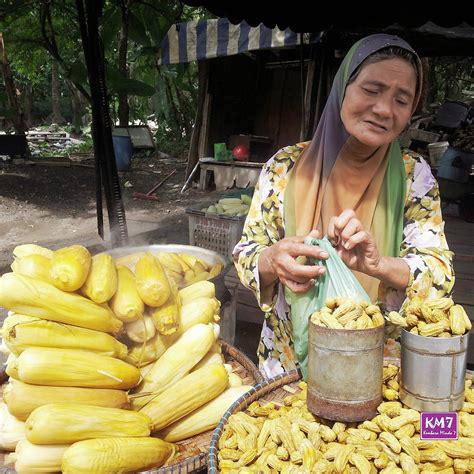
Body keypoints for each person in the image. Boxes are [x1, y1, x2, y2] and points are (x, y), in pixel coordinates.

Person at [233, 34, 455, 379]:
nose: (384, 109)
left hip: (377, 371)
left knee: (426, 432)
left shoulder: (414, 177)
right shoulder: (285, 168)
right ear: (343, 89)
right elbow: (247, 252)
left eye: (402, 99)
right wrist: (271, 260)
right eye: (371, 89)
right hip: (288, 365)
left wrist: (379, 264)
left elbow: (439, 274)